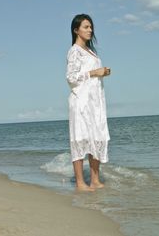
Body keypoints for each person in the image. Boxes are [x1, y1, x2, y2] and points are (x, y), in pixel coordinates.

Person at [66, 13, 111, 192]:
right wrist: (94, 73)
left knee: (96, 137)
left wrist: (102, 72)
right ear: (76, 30)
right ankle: (80, 183)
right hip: (81, 102)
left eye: (91, 27)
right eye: (86, 27)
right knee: (79, 139)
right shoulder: (74, 51)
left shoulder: (91, 51)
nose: (90, 30)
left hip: (96, 103)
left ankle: (95, 180)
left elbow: (92, 73)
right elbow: (71, 78)